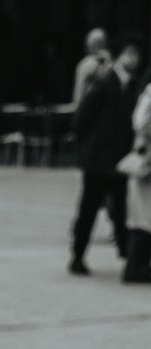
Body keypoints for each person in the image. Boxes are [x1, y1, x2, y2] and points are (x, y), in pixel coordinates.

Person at [68, 36, 142, 276]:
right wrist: (86, 150)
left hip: (119, 160)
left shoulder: (133, 86)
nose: (133, 59)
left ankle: (128, 258)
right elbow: (82, 118)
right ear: (120, 55)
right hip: (98, 159)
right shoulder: (104, 83)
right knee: (89, 208)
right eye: (129, 53)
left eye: (136, 55)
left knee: (121, 210)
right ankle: (78, 255)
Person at [123, 69, 151, 283]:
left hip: (145, 165)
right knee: (144, 218)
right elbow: (140, 123)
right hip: (146, 167)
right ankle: (135, 268)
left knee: (143, 218)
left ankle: (138, 266)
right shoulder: (149, 94)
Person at [72, 28, 112, 105]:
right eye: (96, 43)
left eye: (101, 42)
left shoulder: (108, 62)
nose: (98, 46)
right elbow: (78, 96)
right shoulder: (86, 64)